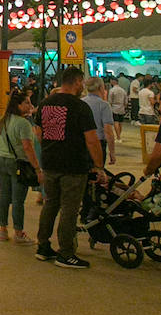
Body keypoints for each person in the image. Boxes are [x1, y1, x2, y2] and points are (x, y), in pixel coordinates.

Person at [33, 66, 107, 268]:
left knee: (51, 204)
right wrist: (99, 166)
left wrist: (50, 148)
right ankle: (66, 253)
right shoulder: (80, 107)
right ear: (76, 82)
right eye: (81, 82)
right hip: (73, 166)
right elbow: (92, 140)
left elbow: (38, 133)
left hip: (50, 163)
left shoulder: (45, 104)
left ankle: (43, 246)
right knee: (69, 209)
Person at [0, 88, 42, 242]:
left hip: (2, 160)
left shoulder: (3, 119)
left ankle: (3, 230)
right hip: (18, 164)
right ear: (18, 105)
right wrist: (37, 168)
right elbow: (28, 147)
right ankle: (19, 232)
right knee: (18, 200)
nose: (30, 105)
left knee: (4, 196)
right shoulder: (23, 124)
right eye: (27, 103)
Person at [83, 77, 116, 169]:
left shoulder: (80, 103)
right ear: (101, 88)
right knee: (97, 173)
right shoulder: (104, 105)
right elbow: (108, 131)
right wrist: (112, 152)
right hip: (98, 143)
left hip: (81, 143)